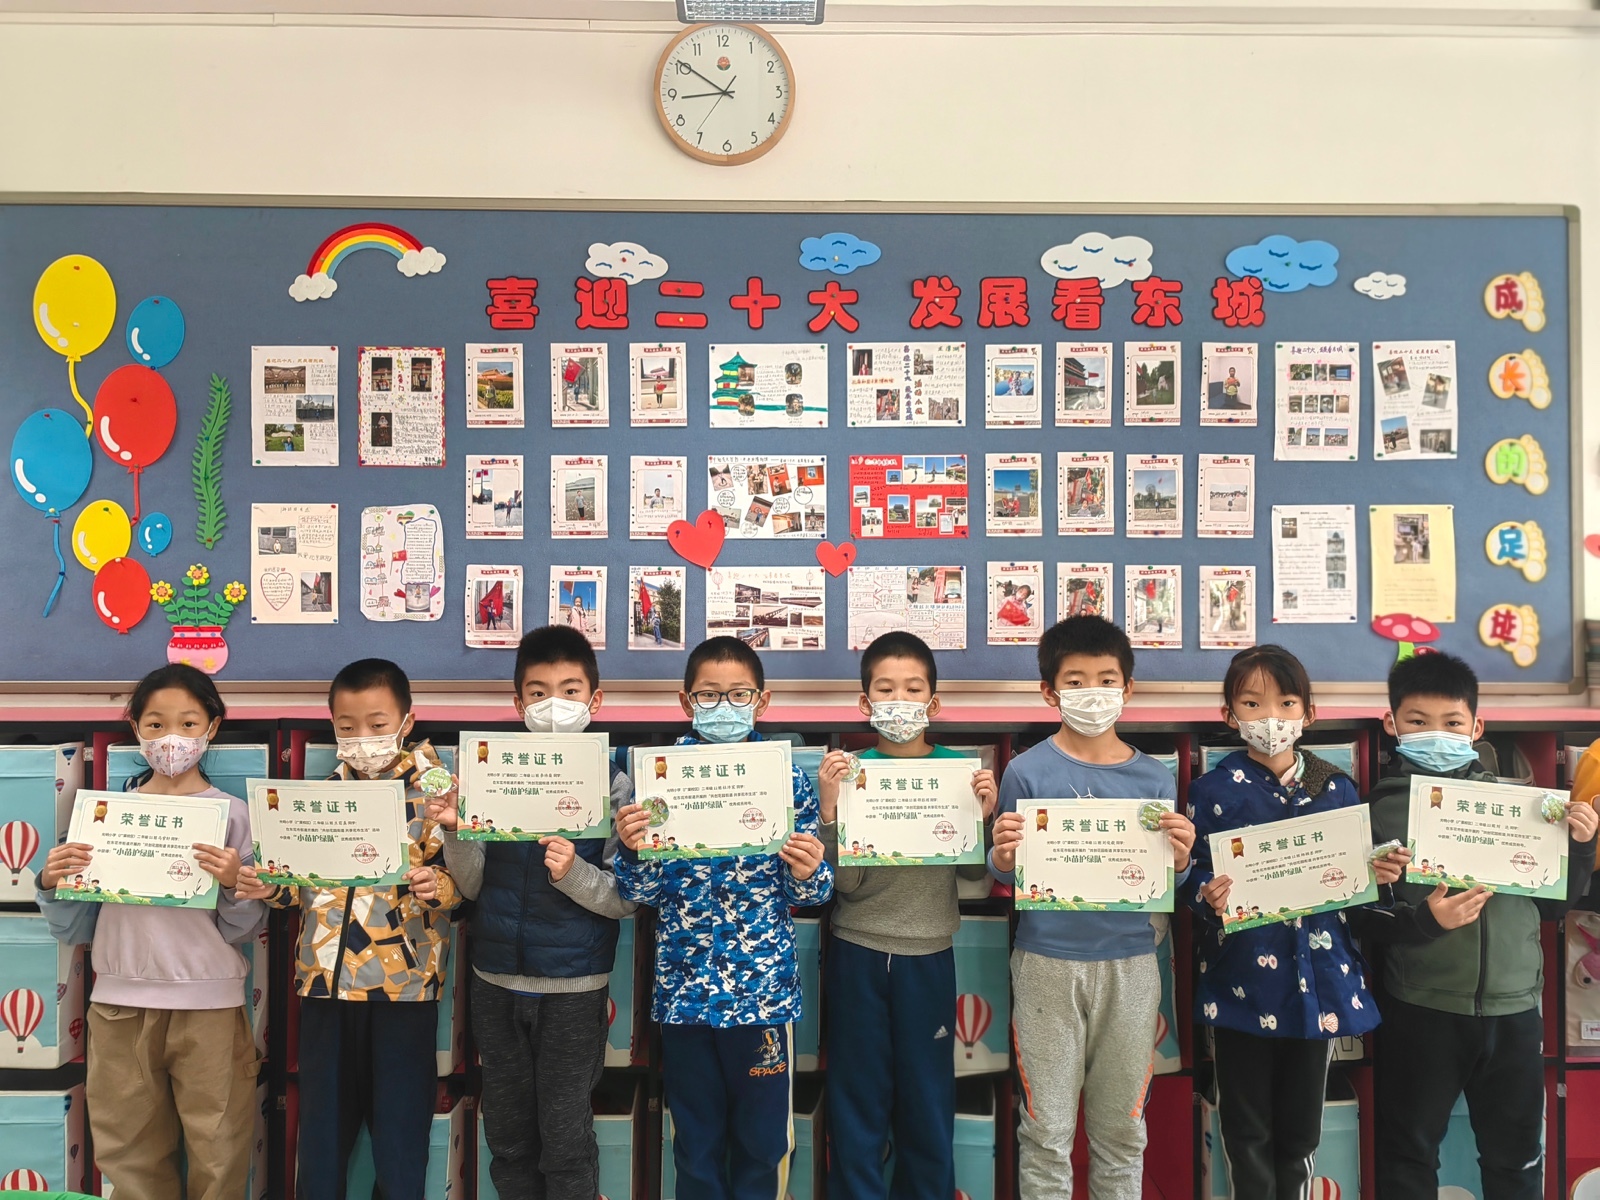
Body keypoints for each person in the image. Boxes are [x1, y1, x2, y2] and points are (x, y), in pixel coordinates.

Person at [1358, 652, 1597, 1200]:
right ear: (1391, 724)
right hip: (1422, 1009)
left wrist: (1581, 848)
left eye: (1452, 722)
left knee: (1517, 1160)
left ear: (1476, 727)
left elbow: (1553, 908)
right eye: (1418, 722)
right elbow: (1362, 921)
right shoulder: (1378, 812)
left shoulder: (1522, 809)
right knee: (1408, 1156)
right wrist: (1424, 921)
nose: (1437, 735)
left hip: (1515, 1011)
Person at [614, 636, 832, 1198]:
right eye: (709, 695)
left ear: (762, 701)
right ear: (686, 702)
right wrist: (633, 851)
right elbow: (641, 892)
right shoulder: (658, 779)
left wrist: (810, 870)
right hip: (685, 995)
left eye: (739, 694)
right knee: (695, 1143)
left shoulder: (787, 780)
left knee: (764, 1144)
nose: (724, 706)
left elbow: (811, 892)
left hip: (763, 995)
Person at [36, 663, 265, 1200]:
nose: (172, 739)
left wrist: (235, 884)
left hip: (210, 1009)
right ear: (136, 728)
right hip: (118, 1007)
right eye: (156, 724)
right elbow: (74, 925)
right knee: (129, 1154)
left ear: (211, 728)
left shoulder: (233, 816)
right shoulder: (103, 815)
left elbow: (242, 928)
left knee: (220, 1152)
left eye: (188, 723)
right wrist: (50, 882)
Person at [235, 658, 459, 1200]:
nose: (363, 738)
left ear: (407, 721)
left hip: (403, 989)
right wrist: (269, 887)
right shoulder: (319, 798)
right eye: (348, 726)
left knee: (400, 1140)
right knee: (321, 1137)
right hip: (325, 986)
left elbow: (465, 886)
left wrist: (439, 887)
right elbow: (298, 890)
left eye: (378, 725)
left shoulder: (438, 797)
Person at [989, 615, 1195, 1199]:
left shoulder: (1153, 779)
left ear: (1128, 688)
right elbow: (1005, 872)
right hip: (1046, 964)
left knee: (1122, 1130)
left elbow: (1165, 883)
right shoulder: (1025, 771)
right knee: (1046, 1130)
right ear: (1049, 692)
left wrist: (1181, 860)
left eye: (1106, 680)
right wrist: (1000, 854)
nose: (1093, 693)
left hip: (1132, 965)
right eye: (1075, 682)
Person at [1184, 645, 1399, 1199]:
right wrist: (1204, 893)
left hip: (1317, 985)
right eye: (1252, 704)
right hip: (1242, 985)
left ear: (1308, 713)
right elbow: (1189, 876)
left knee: (1302, 1131)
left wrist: (1378, 874)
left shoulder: (1336, 787)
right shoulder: (1210, 791)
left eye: (1285, 703)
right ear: (1229, 715)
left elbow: (1354, 886)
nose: (1270, 718)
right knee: (1245, 1129)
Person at [434, 626, 635, 1200]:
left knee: (566, 1138)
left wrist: (571, 872)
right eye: (539, 692)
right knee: (509, 1135)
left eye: (570, 691)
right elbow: (473, 886)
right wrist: (456, 833)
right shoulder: (489, 773)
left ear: (595, 700)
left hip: (574, 986)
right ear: (519, 702)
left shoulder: (615, 786)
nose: (555, 704)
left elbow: (623, 898)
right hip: (496, 981)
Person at [816, 631, 998, 1200]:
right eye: (886, 689)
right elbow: (845, 886)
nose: (899, 700)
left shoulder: (959, 773)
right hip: (857, 952)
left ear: (933, 703)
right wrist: (830, 814)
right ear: (865, 703)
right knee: (857, 1097)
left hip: (928, 955)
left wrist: (983, 818)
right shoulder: (851, 772)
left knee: (927, 1097)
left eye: (913, 689)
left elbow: (974, 877)